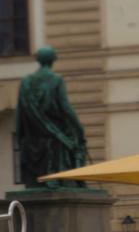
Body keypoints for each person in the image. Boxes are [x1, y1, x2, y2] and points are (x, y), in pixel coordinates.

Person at [14, 46, 90, 188]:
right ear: (52, 61)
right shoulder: (55, 80)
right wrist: (78, 128)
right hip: (55, 135)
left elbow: (20, 114)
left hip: (33, 137)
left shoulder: (26, 81)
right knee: (73, 148)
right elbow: (65, 108)